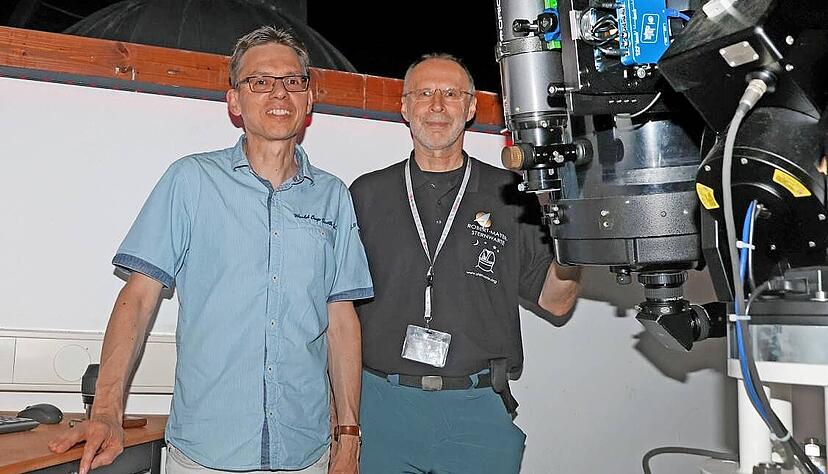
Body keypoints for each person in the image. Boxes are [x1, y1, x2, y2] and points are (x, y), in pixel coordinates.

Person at [48, 26, 372, 474]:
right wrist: (105, 411)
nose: (279, 91)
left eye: (293, 80)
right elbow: (138, 300)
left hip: (307, 454)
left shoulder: (333, 196)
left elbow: (341, 320)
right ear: (235, 102)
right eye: (260, 81)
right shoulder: (191, 181)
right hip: (205, 455)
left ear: (309, 98)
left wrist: (349, 437)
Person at [349, 54, 581, 473]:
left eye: (451, 94)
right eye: (424, 93)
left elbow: (556, 301)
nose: (437, 106)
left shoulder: (512, 194)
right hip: (381, 406)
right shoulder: (365, 194)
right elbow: (339, 311)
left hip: (477, 410)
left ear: (471, 108)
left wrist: (576, 243)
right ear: (404, 107)